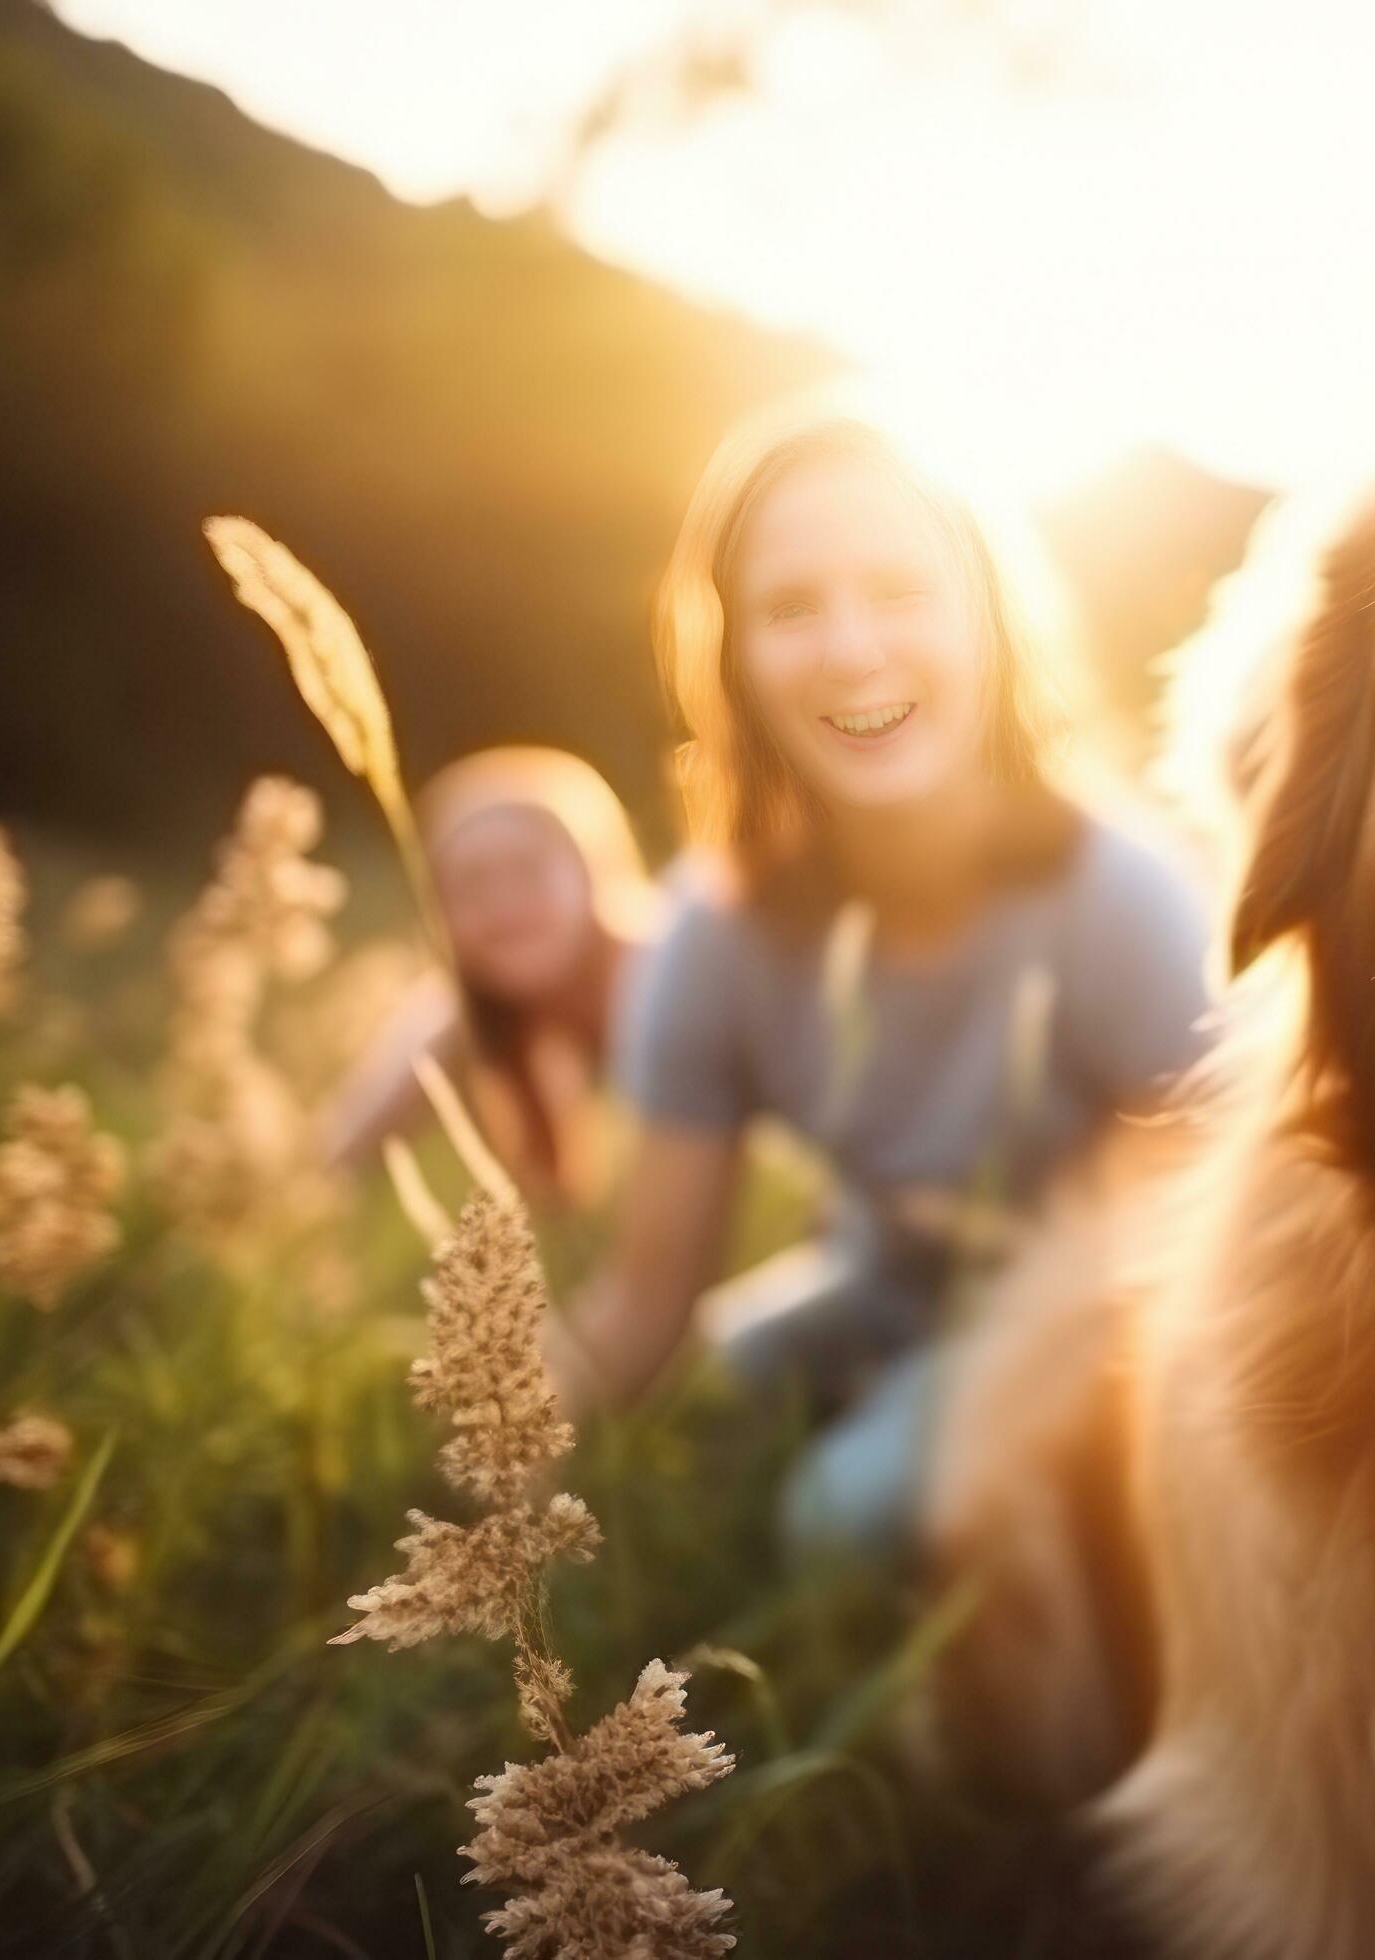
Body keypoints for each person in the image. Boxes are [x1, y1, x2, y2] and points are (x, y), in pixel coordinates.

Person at [557, 404, 1212, 1559]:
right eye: (791, 608)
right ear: (737, 662)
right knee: (710, 1398)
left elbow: (1217, 1249)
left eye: (901, 592)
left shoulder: (1122, 894)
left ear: (988, 621)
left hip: (1100, 1311)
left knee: (834, 1516)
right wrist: (471, 1474)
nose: (853, 649)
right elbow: (644, 1302)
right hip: (881, 1287)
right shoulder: (711, 932)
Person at [321, 747, 662, 1208]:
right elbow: (332, 1159)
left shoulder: (663, 968)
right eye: (471, 883)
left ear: (592, 873)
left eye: (527, 869)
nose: (504, 904)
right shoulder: (453, 1015)